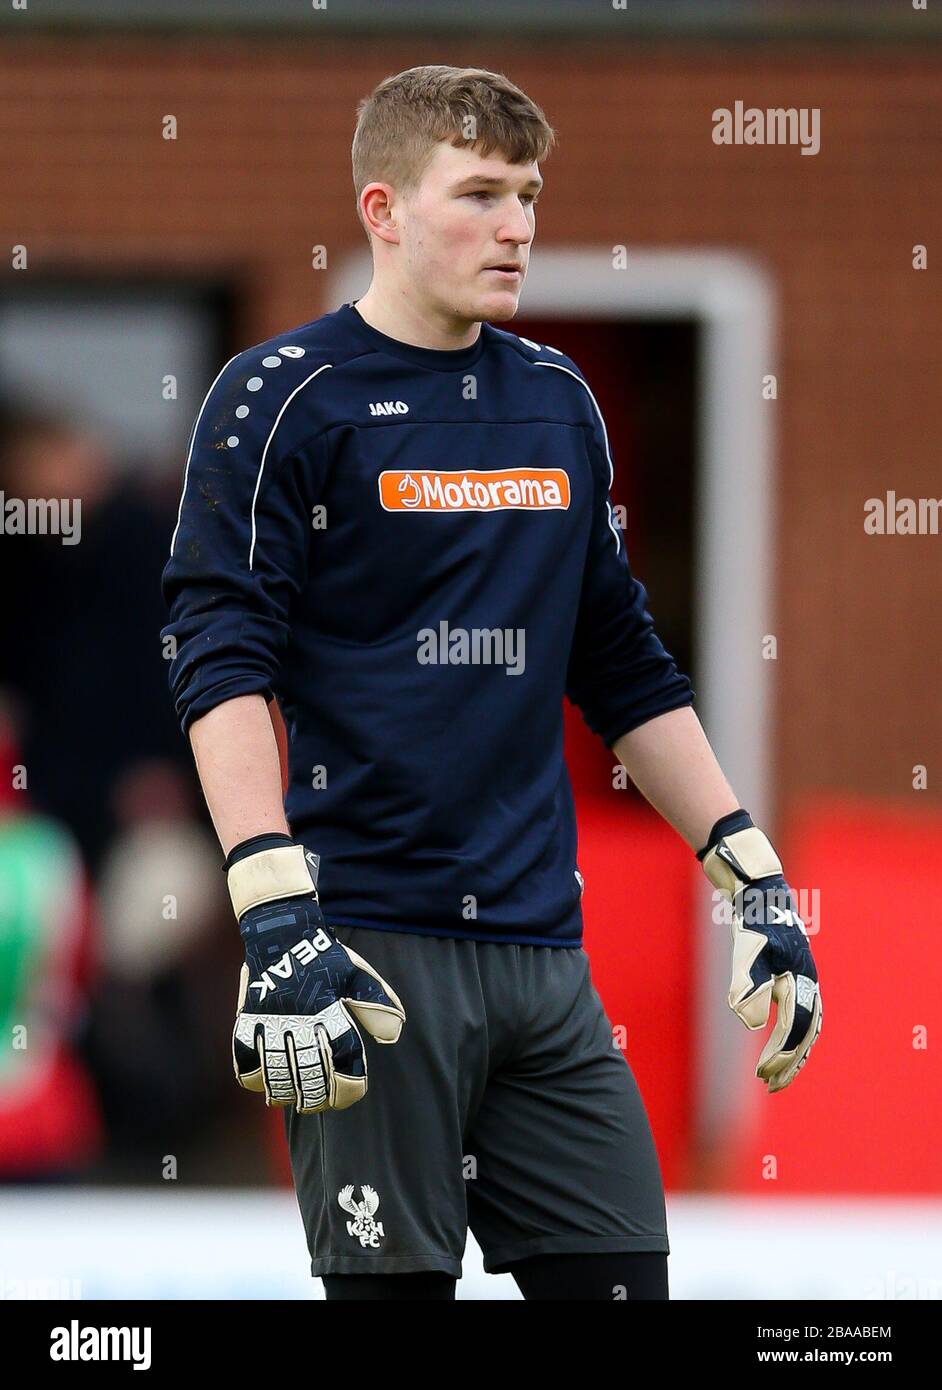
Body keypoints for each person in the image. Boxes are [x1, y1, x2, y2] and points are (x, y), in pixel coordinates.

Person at [161, 64, 821, 1302]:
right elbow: (219, 657)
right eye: (478, 194)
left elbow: (620, 660)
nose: (517, 226)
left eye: (527, 194)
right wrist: (272, 908)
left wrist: (756, 876)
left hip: (541, 959)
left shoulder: (557, 404)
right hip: (359, 951)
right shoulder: (278, 398)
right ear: (383, 208)